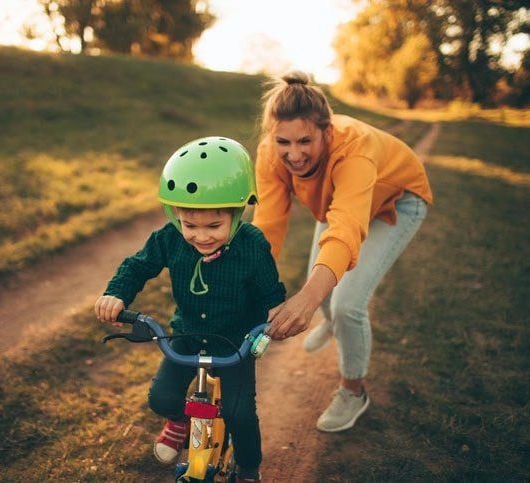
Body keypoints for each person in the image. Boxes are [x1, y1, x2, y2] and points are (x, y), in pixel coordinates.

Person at [94, 136, 286, 483]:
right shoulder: (168, 238)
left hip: (234, 341)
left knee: (239, 412)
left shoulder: (252, 245)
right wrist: (116, 295)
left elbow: (271, 293)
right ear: (175, 215)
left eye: (214, 226)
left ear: (238, 213)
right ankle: (179, 422)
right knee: (162, 399)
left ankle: (248, 469)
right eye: (189, 225)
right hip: (186, 335)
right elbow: (137, 266)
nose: (201, 236)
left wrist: (274, 316)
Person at [252, 71, 433, 433]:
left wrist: (304, 299)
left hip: (397, 200)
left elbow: (346, 229)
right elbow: (267, 226)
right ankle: (331, 323)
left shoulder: (355, 149)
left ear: (327, 133)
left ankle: (354, 391)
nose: (294, 153)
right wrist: (248, 284)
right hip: (340, 200)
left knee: (346, 304)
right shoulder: (271, 153)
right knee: (319, 289)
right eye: (283, 142)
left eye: (305, 141)